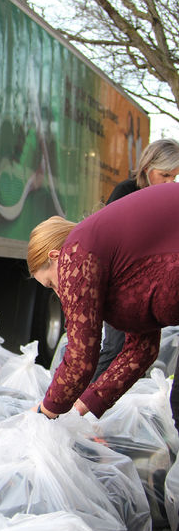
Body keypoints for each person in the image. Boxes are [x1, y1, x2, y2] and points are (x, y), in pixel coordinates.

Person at [27, 182, 179, 423]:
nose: (59, 293)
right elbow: (141, 350)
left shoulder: (76, 253)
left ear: (56, 256)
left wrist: (44, 413)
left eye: (52, 284)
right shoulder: (110, 257)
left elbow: (80, 356)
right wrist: (84, 404)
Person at [92, 138, 179, 383]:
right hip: (120, 285)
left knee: (141, 355)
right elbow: (107, 239)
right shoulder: (126, 192)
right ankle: (78, 408)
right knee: (115, 348)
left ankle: (113, 409)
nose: (169, 182)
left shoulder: (169, 198)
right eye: (164, 175)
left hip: (148, 292)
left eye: (174, 176)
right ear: (147, 168)